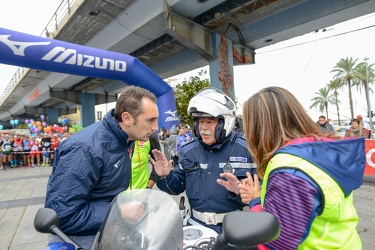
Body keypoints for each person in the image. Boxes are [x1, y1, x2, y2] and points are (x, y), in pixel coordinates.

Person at [221, 86, 364, 249]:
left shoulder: (289, 170)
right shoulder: (313, 150)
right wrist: (260, 196)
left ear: (259, 127)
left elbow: (275, 241)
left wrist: (255, 203)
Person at [45, 86, 159, 250]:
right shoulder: (84, 149)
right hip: (78, 241)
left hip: (104, 232)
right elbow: (63, 214)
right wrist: (118, 211)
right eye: (150, 120)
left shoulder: (124, 141)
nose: (156, 127)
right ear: (127, 119)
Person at [150, 87, 256, 234]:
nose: (203, 128)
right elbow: (176, 188)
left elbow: (264, 195)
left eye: (210, 122)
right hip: (195, 228)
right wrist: (164, 176)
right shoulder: (188, 151)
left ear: (225, 122)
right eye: (200, 122)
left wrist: (240, 190)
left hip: (234, 230)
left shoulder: (247, 149)